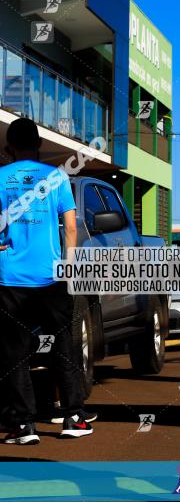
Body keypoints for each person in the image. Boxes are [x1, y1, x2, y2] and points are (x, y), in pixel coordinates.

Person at [0, 117, 94, 443]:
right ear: (39, 145)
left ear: (9, 147)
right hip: (51, 277)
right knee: (63, 346)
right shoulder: (56, 177)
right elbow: (70, 227)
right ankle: (73, 417)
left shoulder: (0, 178)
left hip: (10, 278)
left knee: (15, 352)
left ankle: (24, 425)